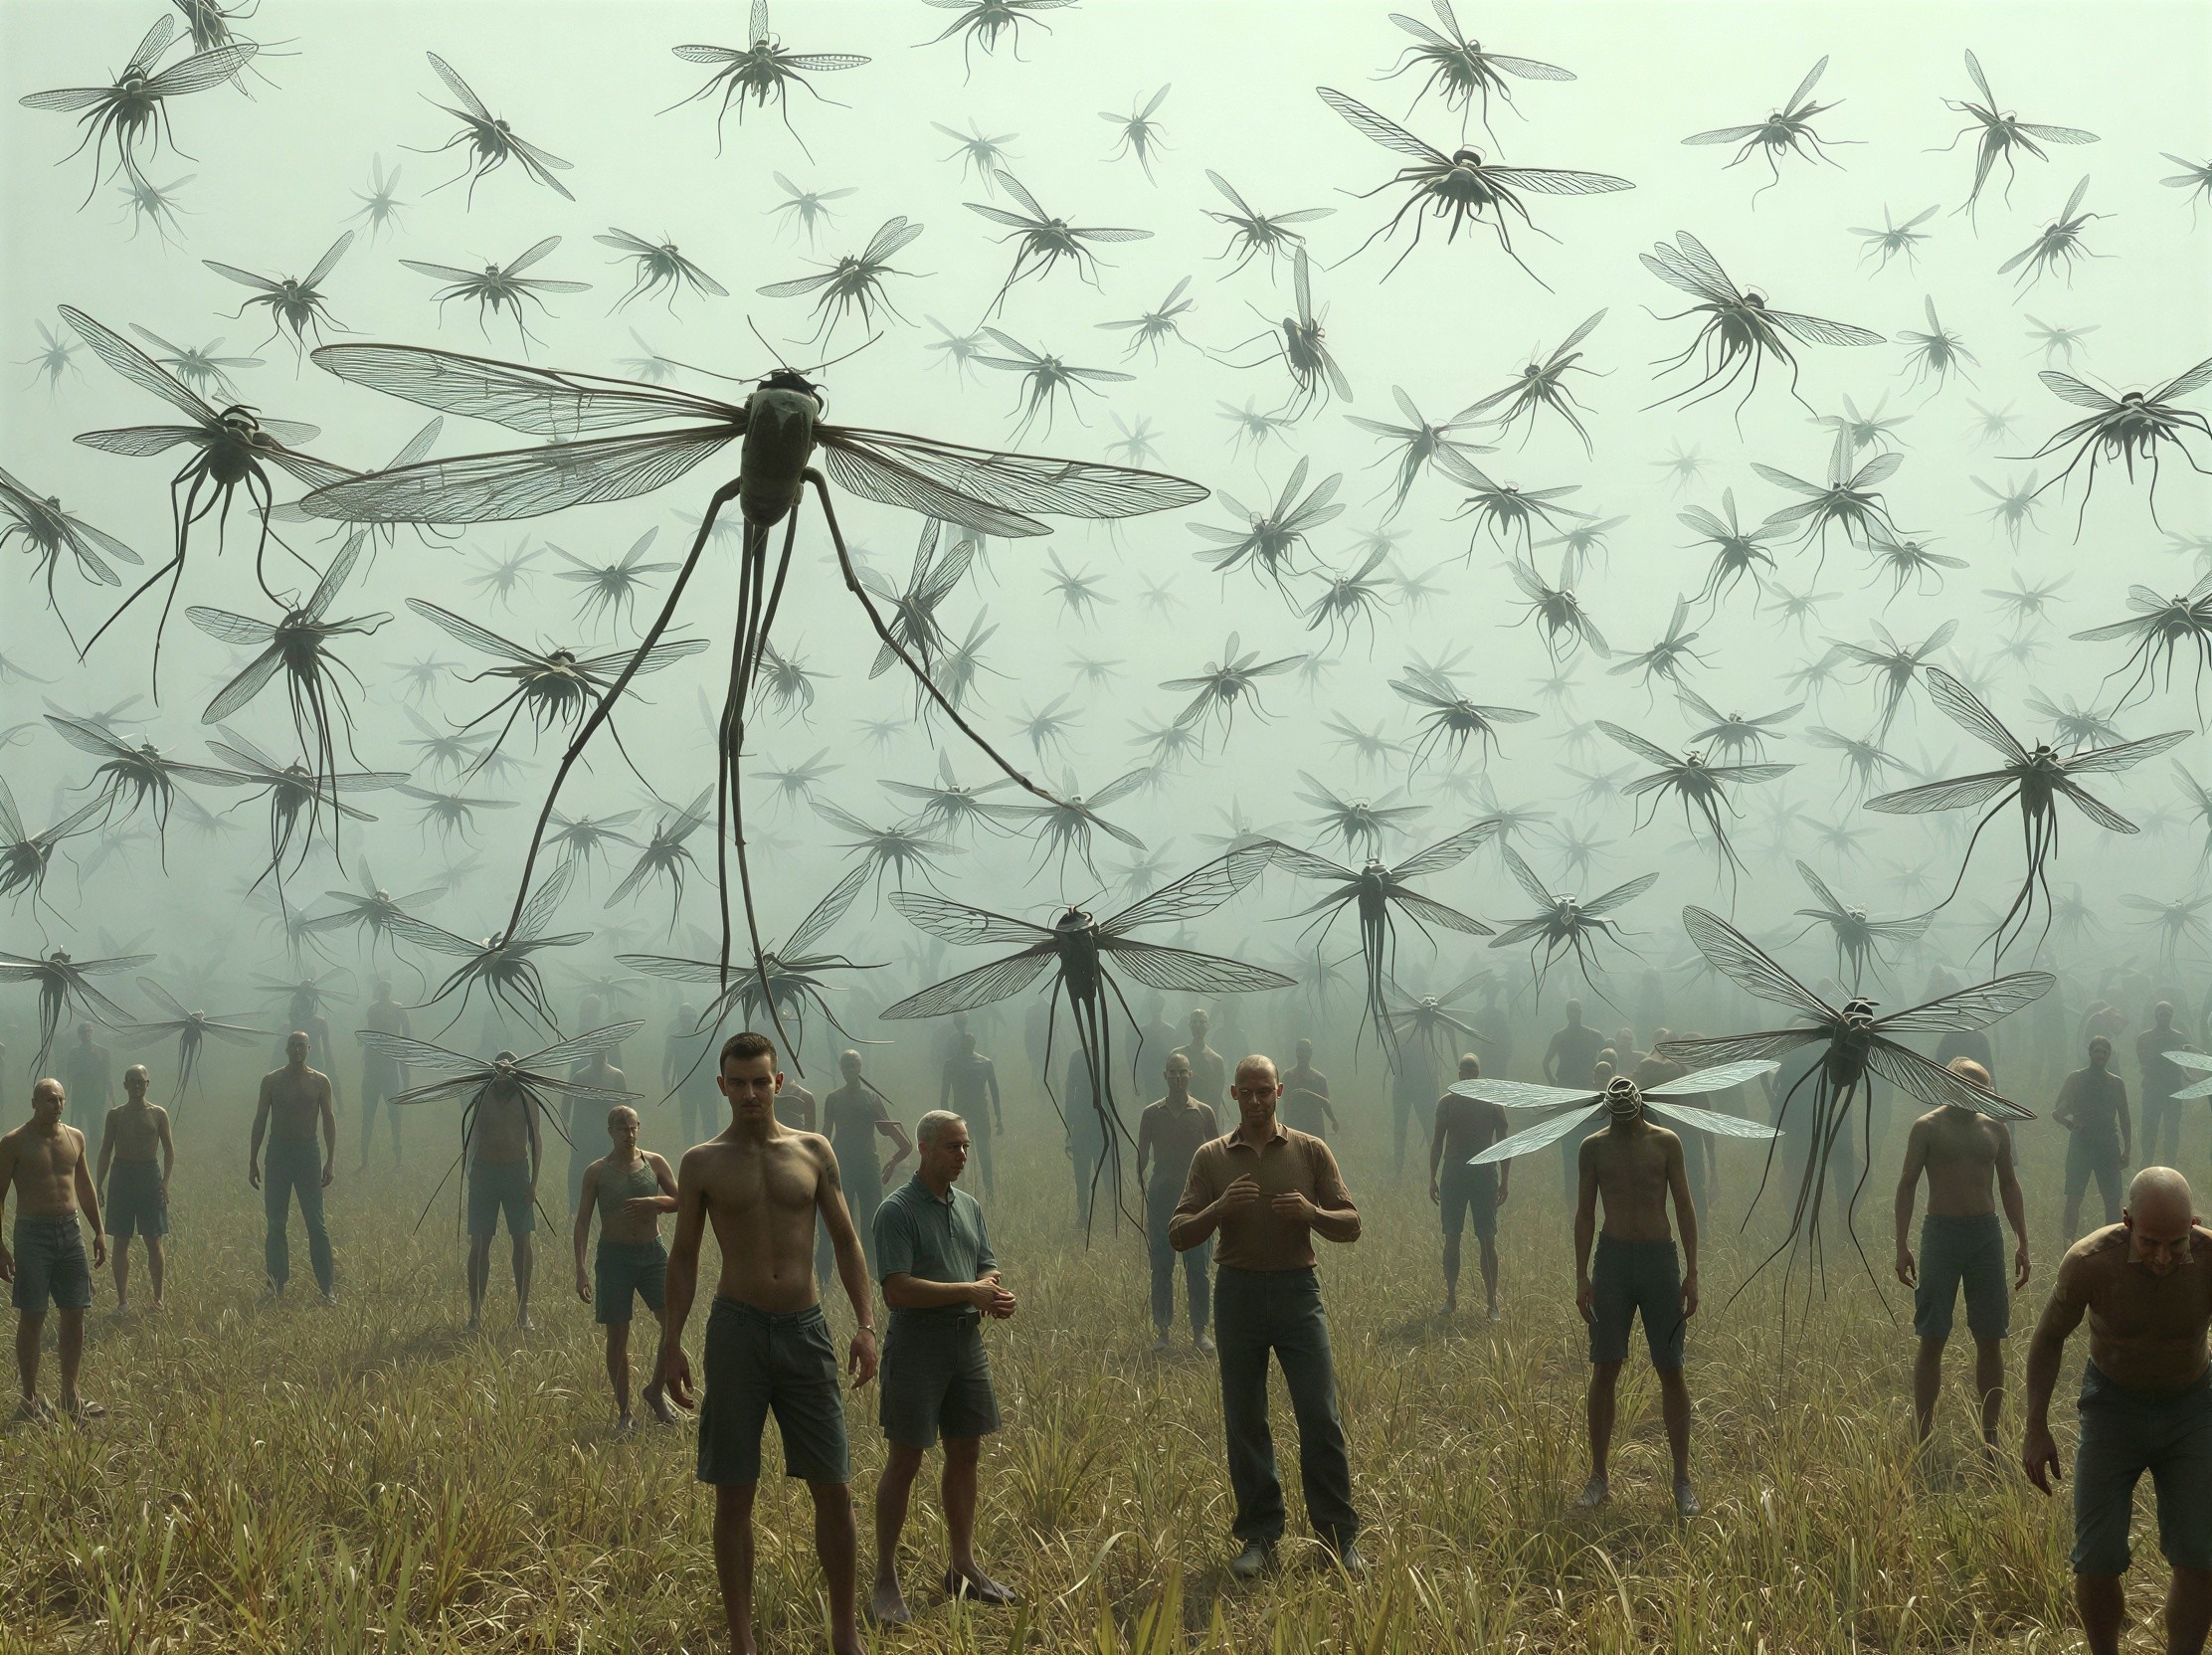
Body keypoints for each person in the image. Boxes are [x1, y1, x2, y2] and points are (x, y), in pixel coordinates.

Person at [659, 1031, 878, 1655]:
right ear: (722, 1086)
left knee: (833, 1486)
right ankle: (742, 1642)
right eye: (740, 1082)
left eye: (762, 1081)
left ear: (779, 1083)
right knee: (735, 1490)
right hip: (737, 1331)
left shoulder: (813, 1151)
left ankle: (844, 1636)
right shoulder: (703, 1162)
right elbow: (684, 1257)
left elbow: (846, 1240)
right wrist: (670, 1344)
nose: (752, 1093)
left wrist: (865, 1325)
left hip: (806, 1331)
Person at [1172, 1054, 1364, 1578]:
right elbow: (1178, 1232)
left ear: (1280, 1091)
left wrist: (1312, 1215)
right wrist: (1219, 1210)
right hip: (1237, 1296)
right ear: (1232, 1095)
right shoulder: (1211, 1157)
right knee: (1246, 1419)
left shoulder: (1309, 1150)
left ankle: (1338, 1539)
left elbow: (1351, 1223)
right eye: (1247, 1093)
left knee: (1320, 1416)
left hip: (1298, 1294)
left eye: (1265, 1091)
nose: (1256, 1101)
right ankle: (1259, 1537)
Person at [2021, 1167, 2212, 1655]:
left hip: (2192, 1406)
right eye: (2149, 1243)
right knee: (2097, 1557)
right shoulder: (2089, 1262)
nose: (2163, 1257)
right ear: (2127, 1222)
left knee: (2201, 1552)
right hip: (2112, 1407)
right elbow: (2048, 1338)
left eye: (2176, 1242)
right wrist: (2036, 1427)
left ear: (2192, 1224)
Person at [870, 1110, 1019, 1621]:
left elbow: (986, 1262)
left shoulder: (969, 1207)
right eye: (953, 1147)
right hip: (917, 1347)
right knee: (906, 1460)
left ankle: (962, 1566)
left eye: (966, 1146)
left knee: (966, 1452)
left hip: (965, 1344)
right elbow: (897, 1289)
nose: (962, 1155)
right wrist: (971, 1291)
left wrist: (991, 1290)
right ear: (924, 1148)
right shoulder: (897, 1211)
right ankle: (885, 1578)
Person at [1572, 1077, 1700, 1516]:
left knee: (1671, 1368)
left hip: (1659, 1261)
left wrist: (1692, 1272)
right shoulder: (1592, 1147)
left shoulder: (1666, 1142)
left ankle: (1682, 1480)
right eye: (1618, 1115)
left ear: (1640, 1106)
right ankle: (1598, 1476)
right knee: (1605, 1367)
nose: (1625, 1121)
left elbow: (1684, 1205)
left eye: (1631, 1113)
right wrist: (1581, 1275)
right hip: (1613, 1261)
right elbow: (1585, 1212)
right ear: (1608, 1110)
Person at [1893, 1057, 2031, 1446]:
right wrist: (1901, 1245)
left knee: (1990, 1336)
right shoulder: (1928, 1127)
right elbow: (1907, 1185)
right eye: (1971, 1088)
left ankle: (1990, 1437)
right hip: (1941, 1233)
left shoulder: (1995, 1127)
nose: (1977, 1096)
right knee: (1932, 1335)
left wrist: (2022, 1240)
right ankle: (1923, 1433)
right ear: (1950, 1086)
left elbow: (2008, 1184)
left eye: (1983, 1089)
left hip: (1985, 1235)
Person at [0, 1079, 104, 1420]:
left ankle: (69, 1396)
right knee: (33, 1314)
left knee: (75, 1312)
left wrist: (99, 1231)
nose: (56, 1105)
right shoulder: (14, 1142)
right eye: (49, 1099)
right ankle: (29, 1401)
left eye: (60, 1099)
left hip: (70, 1232)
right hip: (33, 1234)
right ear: (34, 1102)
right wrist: (0, 1247)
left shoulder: (75, 1137)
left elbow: (85, 1185)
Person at [573, 1103, 678, 1428]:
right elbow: (583, 1221)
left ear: (639, 1128)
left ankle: (655, 1392)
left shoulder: (655, 1163)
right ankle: (624, 1412)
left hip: (652, 1255)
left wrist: (654, 1203)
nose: (628, 1134)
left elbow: (682, 1201)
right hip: (614, 1257)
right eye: (622, 1129)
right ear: (610, 1132)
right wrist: (580, 1269)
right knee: (617, 1335)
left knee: (671, 1325)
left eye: (633, 1128)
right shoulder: (597, 1172)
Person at [1137, 1052, 1217, 1354]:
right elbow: (1142, 1156)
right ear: (1164, 1076)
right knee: (1161, 1264)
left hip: (1196, 1196)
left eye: (1182, 1072)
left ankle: (1200, 1332)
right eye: (1172, 1072)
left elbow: (1216, 1152)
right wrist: (1138, 1181)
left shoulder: (1204, 1112)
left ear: (1190, 1075)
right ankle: (1163, 1331)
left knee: (1198, 1264)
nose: (1177, 1077)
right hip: (1161, 1195)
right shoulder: (1151, 1113)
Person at [249, 1031, 337, 1302]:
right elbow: (261, 1118)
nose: (297, 1050)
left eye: (302, 1045)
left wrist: (330, 1161)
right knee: (276, 1223)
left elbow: (329, 1120)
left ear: (309, 1048)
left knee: (316, 1223)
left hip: (307, 1153)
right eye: (293, 1045)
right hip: (278, 1153)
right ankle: (276, 1284)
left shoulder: (320, 1082)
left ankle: (327, 1287)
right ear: (286, 1049)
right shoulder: (272, 1081)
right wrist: (252, 1159)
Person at [817, 1051, 912, 1287]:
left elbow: (901, 1141)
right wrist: (815, 1163)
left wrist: (892, 1163)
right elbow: (825, 1136)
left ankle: (873, 1278)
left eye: (854, 1064)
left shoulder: (871, 1098)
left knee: (872, 1224)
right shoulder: (833, 1099)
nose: (850, 1069)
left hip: (868, 1166)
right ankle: (832, 1282)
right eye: (846, 1065)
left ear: (860, 1067)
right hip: (842, 1165)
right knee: (840, 1226)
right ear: (840, 1068)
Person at [1430, 1053, 1510, 1319]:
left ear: (1479, 1074)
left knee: (1487, 1239)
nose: (1469, 1074)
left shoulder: (1492, 1104)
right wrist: (1432, 1176)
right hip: (1453, 1173)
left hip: (1484, 1174)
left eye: (1473, 1070)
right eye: (1465, 1070)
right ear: (1459, 1074)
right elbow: (1437, 1142)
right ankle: (1451, 1297)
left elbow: (1504, 1143)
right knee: (1452, 1237)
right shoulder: (1447, 1103)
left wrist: (1506, 1179)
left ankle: (1492, 1302)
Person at [465, 1059, 542, 1332]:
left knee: (522, 1241)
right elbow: (471, 1134)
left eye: (509, 1070)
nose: (504, 1074)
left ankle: (523, 1312)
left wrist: (533, 1182)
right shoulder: (482, 1095)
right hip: (484, 1172)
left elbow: (536, 1140)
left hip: (516, 1172)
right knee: (480, 1242)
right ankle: (475, 1314)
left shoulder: (526, 1098)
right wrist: (470, 1173)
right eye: (499, 1069)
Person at [95, 1064, 173, 1312]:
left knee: (153, 1239)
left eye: (141, 1081)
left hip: (149, 1175)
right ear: (125, 1084)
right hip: (122, 1175)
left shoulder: (158, 1114)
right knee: (121, 1240)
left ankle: (158, 1298)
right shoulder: (115, 1115)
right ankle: (122, 1301)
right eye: (132, 1081)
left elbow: (170, 1151)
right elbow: (106, 1150)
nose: (137, 1086)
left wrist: (165, 1182)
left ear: (147, 1084)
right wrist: (98, 1184)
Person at [2055, 1036, 2132, 1234]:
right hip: (2082, 1143)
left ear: (2109, 1056)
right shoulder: (2076, 1079)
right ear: (2090, 1053)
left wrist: (2127, 1149)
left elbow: (2124, 1117)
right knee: (2074, 1197)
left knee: (2113, 1199)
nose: (2101, 1055)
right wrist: (2070, 1124)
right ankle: (2068, 1244)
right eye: (2098, 1051)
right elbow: (2057, 1111)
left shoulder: (2116, 1083)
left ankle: (2112, 1245)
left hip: (2108, 1143)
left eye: (2105, 1052)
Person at [1546, 1000, 1606, 1198]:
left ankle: (1593, 1195)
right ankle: (1573, 1200)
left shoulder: (1593, 1035)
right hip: (1569, 1099)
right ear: (1567, 1012)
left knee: (1594, 1146)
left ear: (1581, 1012)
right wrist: (1555, 1087)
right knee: (1570, 1152)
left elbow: (1607, 1057)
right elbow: (1545, 1063)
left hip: (1590, 1099)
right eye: (1570, 1010)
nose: (1574, 1013)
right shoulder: (1559, 1036)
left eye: (1576, 1009)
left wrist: (1604, 1082)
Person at [940, 1033, 1003, 1197]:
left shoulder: (954, 1064)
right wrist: (999, 1117)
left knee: (977, 1154)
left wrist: (999, 1117)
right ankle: (977, 1193)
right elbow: (944, 1096)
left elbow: (944, 1098)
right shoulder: (982, 1063)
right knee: (974, 1154)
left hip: (967, 1116)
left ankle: (985, 1192)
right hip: (967, 1116)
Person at [2135, 1003, 2196, 1171]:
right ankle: (2146, 1160)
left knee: (2172, 1128)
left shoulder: (2180, 1038)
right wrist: (2165, 1053)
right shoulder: (2144, 1037)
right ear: (2156, 1015)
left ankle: (2171, 1164)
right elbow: (2144, 1062)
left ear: (2172, 1016)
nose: (2165, 1017)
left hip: (2172, 1088)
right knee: (2149, 1126)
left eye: (2168, 1014)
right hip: (2153, 1088)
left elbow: (2186, 1062)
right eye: (2162, 1014)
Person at [357, 979, 410, 1171]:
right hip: (374, 1069)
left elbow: (407, 1042)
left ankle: (397, 1159)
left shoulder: (398, 1009)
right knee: (368, 1116)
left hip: (388, 1069)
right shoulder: (373, 1009)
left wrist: (406, 1074)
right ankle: (364, 1160)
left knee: (394, 1115)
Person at [663, 1006, 717, 1148]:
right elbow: (666, 1065)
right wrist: (667, 1084)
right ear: (680, 1020)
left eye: (690, 1017)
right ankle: (690, 1153)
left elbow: (715, 1059)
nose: (688, 1021)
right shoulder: (674, 1038)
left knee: (710, 1123)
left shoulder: (706, 1034)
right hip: (687, 1087)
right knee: (688, 1123)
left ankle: (713, 1153)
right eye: (684, 1018)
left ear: (695, 1018)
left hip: (707, 1086)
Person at [1280, 1039, 1338, 1138]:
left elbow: (1326, 1103)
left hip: (1314, 1129)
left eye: (1304, 1051)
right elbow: (1283, 1103)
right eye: (1298, 1051)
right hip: (1294, 1128)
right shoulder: (1288, 1076)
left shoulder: (1319, 1079)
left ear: (1310, 1053)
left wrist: (1333, 1120)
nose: (1301, 1054)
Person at [1173, 1010, 1227, 1108]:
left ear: (1208, 1026)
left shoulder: (1216, 1060)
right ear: (1189, 1025)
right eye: (1194, 1022)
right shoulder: (1176, 1055)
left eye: (1202, 1022)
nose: (1198, 1026)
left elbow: (1216, 1099)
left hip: (1205, 1114)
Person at [58, 1022, 113, 1115]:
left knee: (96, 1123)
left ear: (92, 1032)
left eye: (88, 1031)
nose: (86, 1034)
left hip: (97, 1095)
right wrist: (64, 1095)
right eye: (83, 1032)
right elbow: (69, 1075)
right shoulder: (74, 1053)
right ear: (79, 1035)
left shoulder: (103, 1052)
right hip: (80, 1095)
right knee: (77, 1123)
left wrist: (111, 1096)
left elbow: (108, 1076)